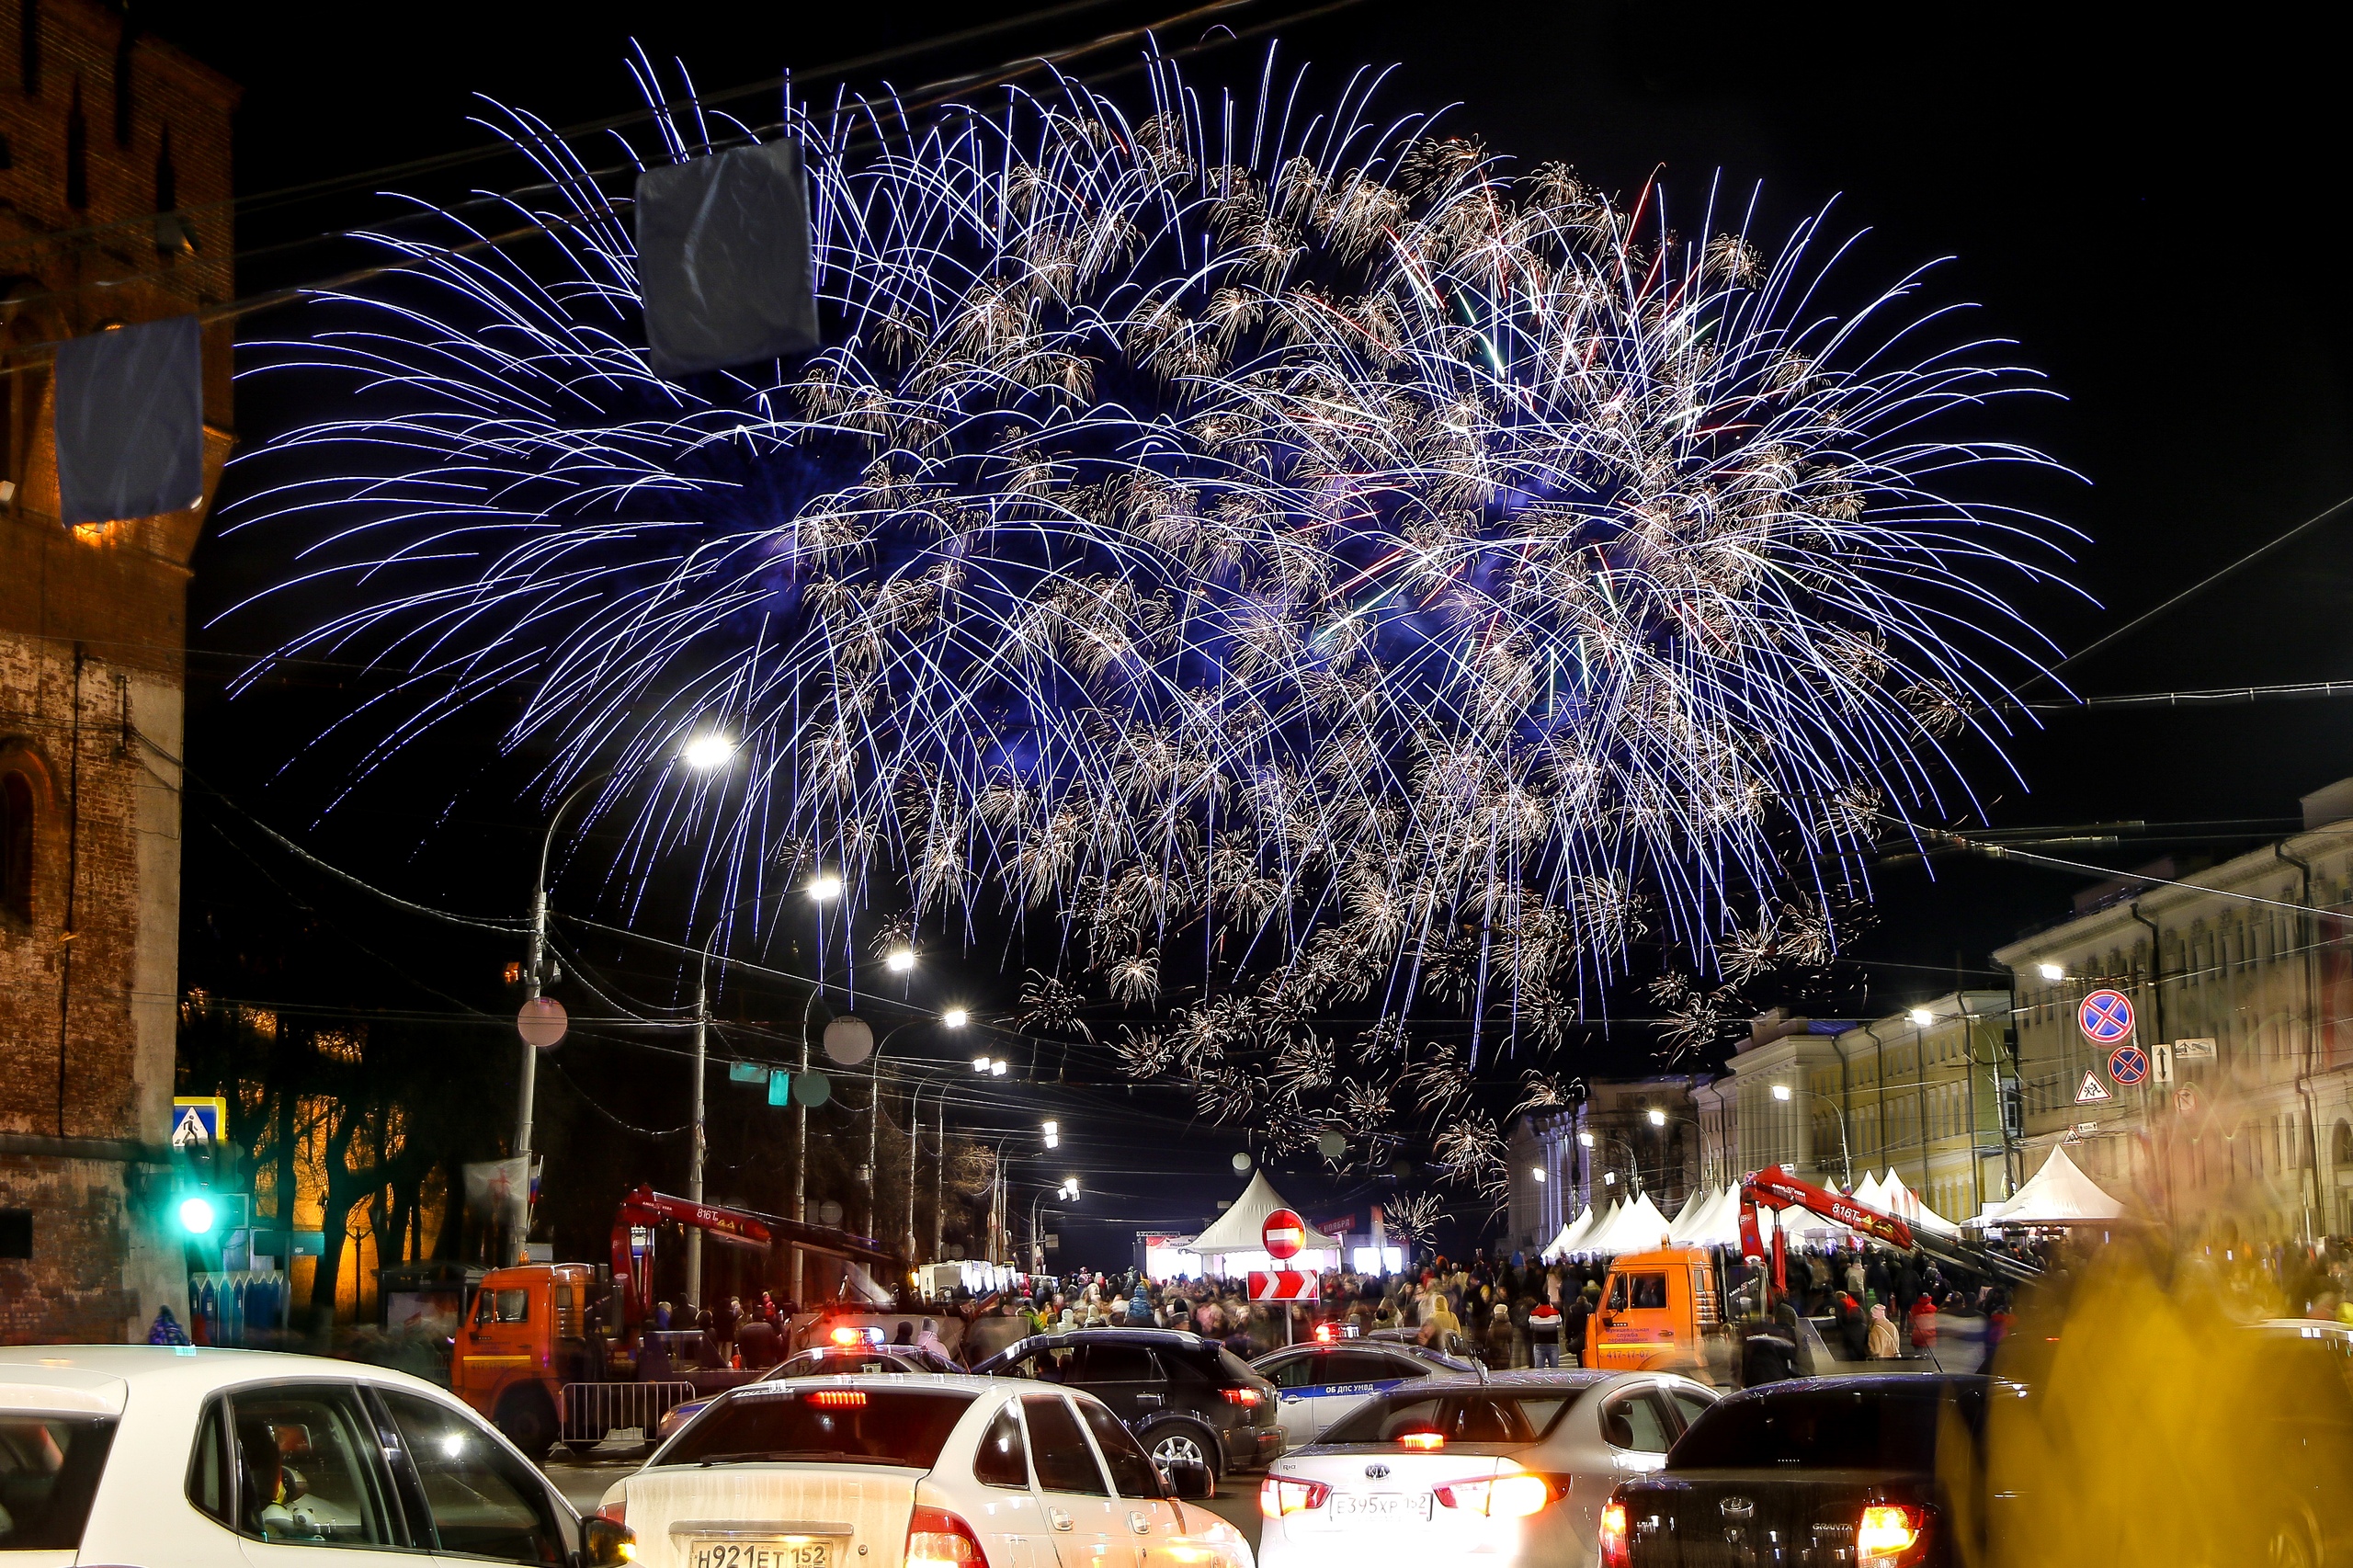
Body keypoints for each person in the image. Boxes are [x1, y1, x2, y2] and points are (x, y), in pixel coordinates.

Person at [1527, 1295, 1563, 1368]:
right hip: (1553, 1343)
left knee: (1539, 1370)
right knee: (1554, 1369)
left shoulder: (1534, 1314)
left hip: (1539, 1343)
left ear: (1539, 1303)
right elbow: (1560, 1326)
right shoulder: (1555, 1313)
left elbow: (1531, 1326)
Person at [1563, 1283, 1593, 1369]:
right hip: (1589, 1335)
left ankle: (1581, 1367)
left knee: (1580, 1354)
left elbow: (1568, 1326)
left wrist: (1568, 1337)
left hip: (1577, 1336)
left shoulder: (1572, 1313)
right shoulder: (1591, 1311)